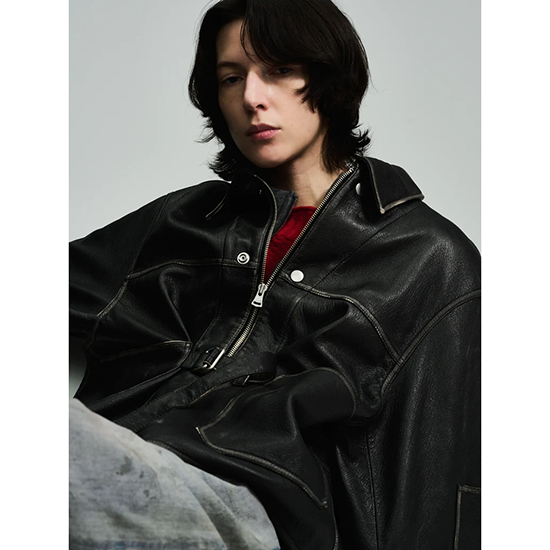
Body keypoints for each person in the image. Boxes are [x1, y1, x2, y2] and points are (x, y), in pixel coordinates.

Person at [69, 0, 481, 548]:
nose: (252, 97)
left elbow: (432, 479)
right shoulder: (186, 220)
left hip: (254, 507)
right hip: (119, 469)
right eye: (231, 78)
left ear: (329, 77)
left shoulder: (426, 257)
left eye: (280, 70)